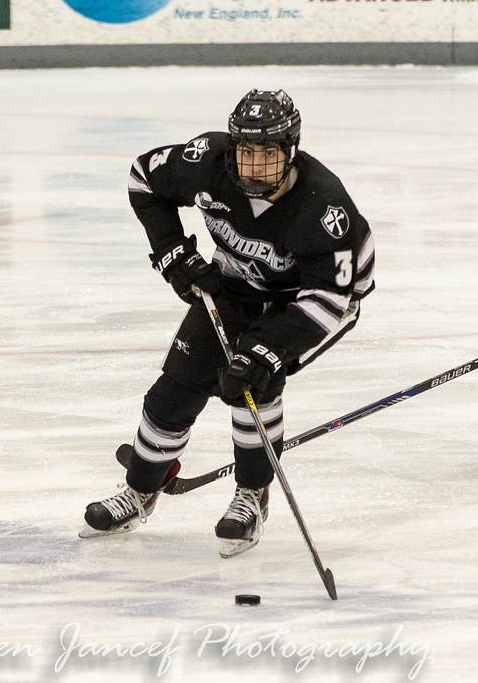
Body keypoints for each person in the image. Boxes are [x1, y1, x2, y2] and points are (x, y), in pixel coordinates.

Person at [81, 89, 375, 556]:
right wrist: (172, 252)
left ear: (290, 150)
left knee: (251, 382)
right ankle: (139, 491)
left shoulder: (322, 206)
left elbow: (329, 299)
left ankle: (252, 495)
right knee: (174, 390)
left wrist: (266, 351)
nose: (253, 166)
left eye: (267, 154)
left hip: (311, 302)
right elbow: (144, 179)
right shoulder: (208, 162)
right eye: (245, 151)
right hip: (236, 283)